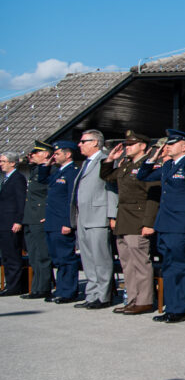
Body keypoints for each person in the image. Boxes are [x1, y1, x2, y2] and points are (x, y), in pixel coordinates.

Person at [137, 129, 185, 323]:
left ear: (184, 146)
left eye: (172, 144)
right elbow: (143, 176)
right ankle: (171, 307)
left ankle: (180, 309)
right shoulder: (167, 165)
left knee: (180, 268)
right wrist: (152, 157)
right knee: (168, 267)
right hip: (165, 223)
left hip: (181, 224)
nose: (167, 147)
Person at [100, 130, 159, 315]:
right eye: (126, 145)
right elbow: (107, 176)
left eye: (131, 144)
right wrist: (110, 159)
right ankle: (132, 299)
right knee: (127, 263)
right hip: (124, 219)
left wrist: (148, 223)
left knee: (140, 263)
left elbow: (153, 196)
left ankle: (145, 301)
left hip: (138, 220)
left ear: (143, 146)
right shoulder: (126, 165)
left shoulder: (149, 165)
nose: (127, 147)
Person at [71, 130, 118, 309]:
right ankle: (91, 295)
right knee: (88, 259)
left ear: (95, 143)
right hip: (83, 217)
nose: (79, 144)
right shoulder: (86, 162)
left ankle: (103, 296)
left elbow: (111, 189)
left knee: (101, 259)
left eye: (83, 141)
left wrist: (112, 215)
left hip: (98, 216)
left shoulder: (105, 160)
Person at [40, 141, 80, 303]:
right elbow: (43, 179)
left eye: (57, 154)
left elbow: (71, 199)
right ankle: (60, 290)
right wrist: (46, 165)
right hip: (52, 221)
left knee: (66, 258)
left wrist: (68, 222)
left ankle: (68, 292)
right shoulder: (58, 171)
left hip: (62, 222)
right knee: (57, 258)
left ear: (68, 154)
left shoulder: (72, 172)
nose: (54, 156)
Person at [19, 141, 54, 300]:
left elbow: (51, 195)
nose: (31, 155)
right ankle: (36, 288)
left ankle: (44, 288)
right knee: (33, 255)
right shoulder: (35, 170)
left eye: (35, 153)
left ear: (46, 154)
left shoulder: (50, 171)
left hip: (40, 216)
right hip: (30, 217)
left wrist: (48, 214)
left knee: (42, 255)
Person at [0, 151, 28, 295]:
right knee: (6, 255)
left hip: (12, 222)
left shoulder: (17, 178)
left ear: (12, 163)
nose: (1, 164)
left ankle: (14, 286)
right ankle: (10, 284)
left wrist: (18, 220)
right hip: (4, 222)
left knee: (12, 255)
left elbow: (20, 201)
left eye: (3, 161)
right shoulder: (6, 179)